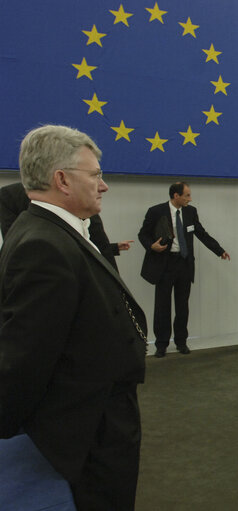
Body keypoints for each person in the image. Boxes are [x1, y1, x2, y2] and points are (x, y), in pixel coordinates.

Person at [0, 125, 148, 510]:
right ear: (62, 180)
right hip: (87, 434)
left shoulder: (54, 233)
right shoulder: (43, 246)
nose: (104, 185)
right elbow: (23, 358)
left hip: (96, 424)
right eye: (96, 174)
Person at [138, 182, 230, 358]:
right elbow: (143, 234)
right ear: (175, 196)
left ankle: (181, 341)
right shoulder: (155, 211)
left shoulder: (190, 212)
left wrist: (219, 251)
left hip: (184, 264)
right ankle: (161, 344)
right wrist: (151, 246)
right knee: (162, 306)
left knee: (182, 306)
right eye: (187, 195)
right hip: (164, 265)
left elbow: (201, 233)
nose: (190, 198)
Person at [0, 181, 133, 271]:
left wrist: (112, 248)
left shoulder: (83, 202)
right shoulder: (10, 197)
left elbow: (97, 245)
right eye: (94, 175)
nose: (103, 186)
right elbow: (16, 244)